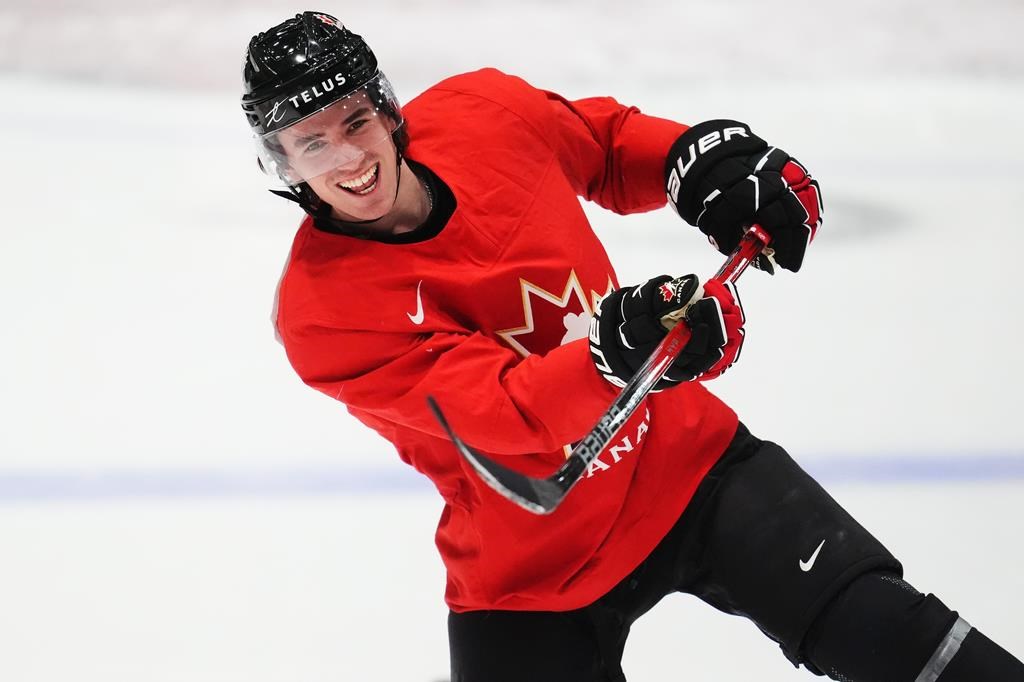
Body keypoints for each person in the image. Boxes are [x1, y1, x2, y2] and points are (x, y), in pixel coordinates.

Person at [241, 11, 1024, 682]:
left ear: (386, 110)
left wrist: (698, 163)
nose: (347, 156)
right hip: (530, 571)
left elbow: (606, 147)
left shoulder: (482, 112)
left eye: (354, 121)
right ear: (284, 165)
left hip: (686, 466)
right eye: (312, 143)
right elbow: (506, 414)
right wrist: (620, 354)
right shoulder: (322, 311)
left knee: (914, 647)